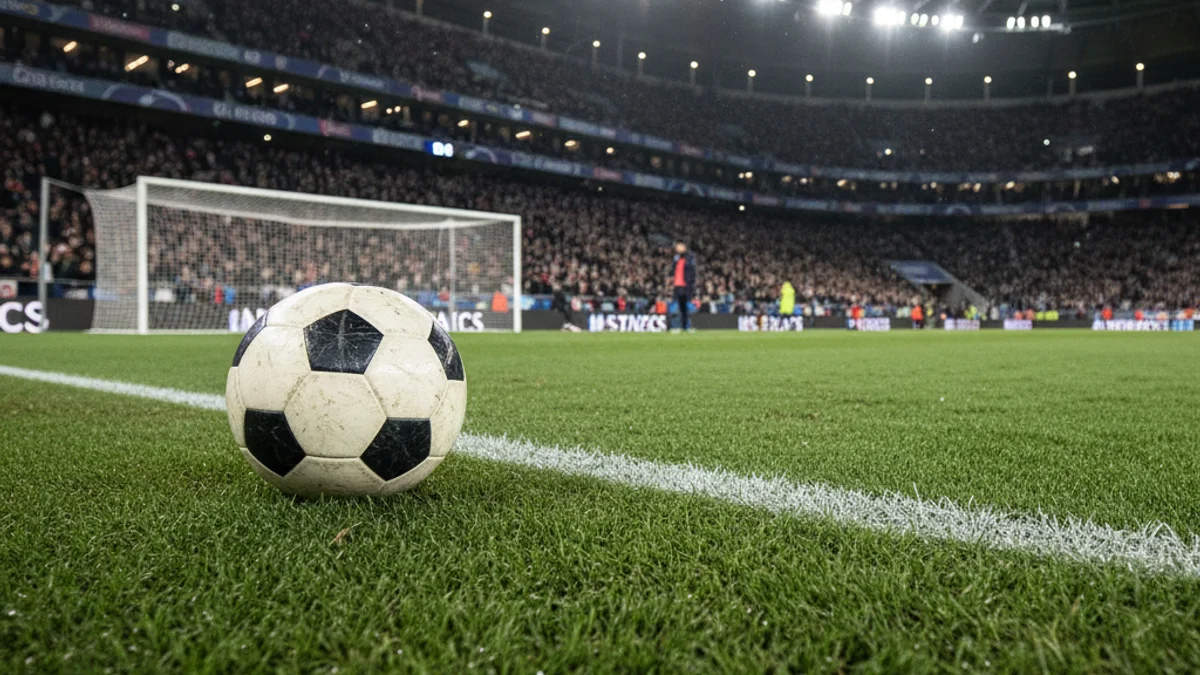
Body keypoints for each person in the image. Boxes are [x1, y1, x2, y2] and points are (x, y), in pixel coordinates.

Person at [669, 241, 697, 334]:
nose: (678, 248)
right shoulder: (676, 258)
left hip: (686, 286)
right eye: (677, 247)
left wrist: (692, 285)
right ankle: (675, 326)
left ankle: (686, 327)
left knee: (685, 307)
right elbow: (672, 270)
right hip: (677, 286)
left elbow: (692, 271)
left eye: (679, 246)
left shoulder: (690, 258)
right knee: (675, 307)